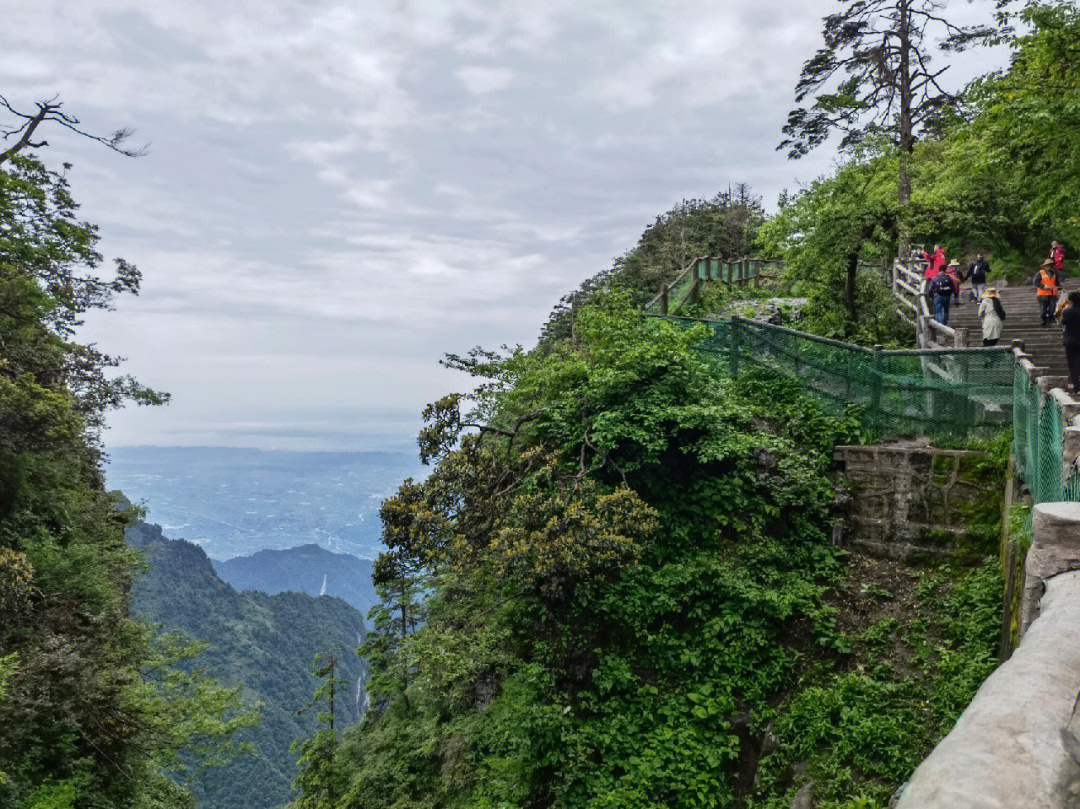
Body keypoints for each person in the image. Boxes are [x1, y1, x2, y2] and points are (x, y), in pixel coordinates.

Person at [1062, 290, 1080, 393]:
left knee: (1073, 365)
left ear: (1071, 300)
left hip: (1071, 341)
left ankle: (1077, 387)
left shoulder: (1067, 311)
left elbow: (1063, 322)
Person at [1034, 258, 1061, 326]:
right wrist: (1043, 286)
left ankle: (1050, 319)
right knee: (1043, 309)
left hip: (1052, 294)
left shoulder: (1054, 273)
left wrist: (1060, 287)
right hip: (1042, 294)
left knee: (1052, 308)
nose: (1050, 266)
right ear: (1045, 266)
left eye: (1051, 265)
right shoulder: (1040, 273)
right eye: (1048, 265)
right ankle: (1044, 320)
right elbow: (1035, 282)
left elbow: (1057, 283)